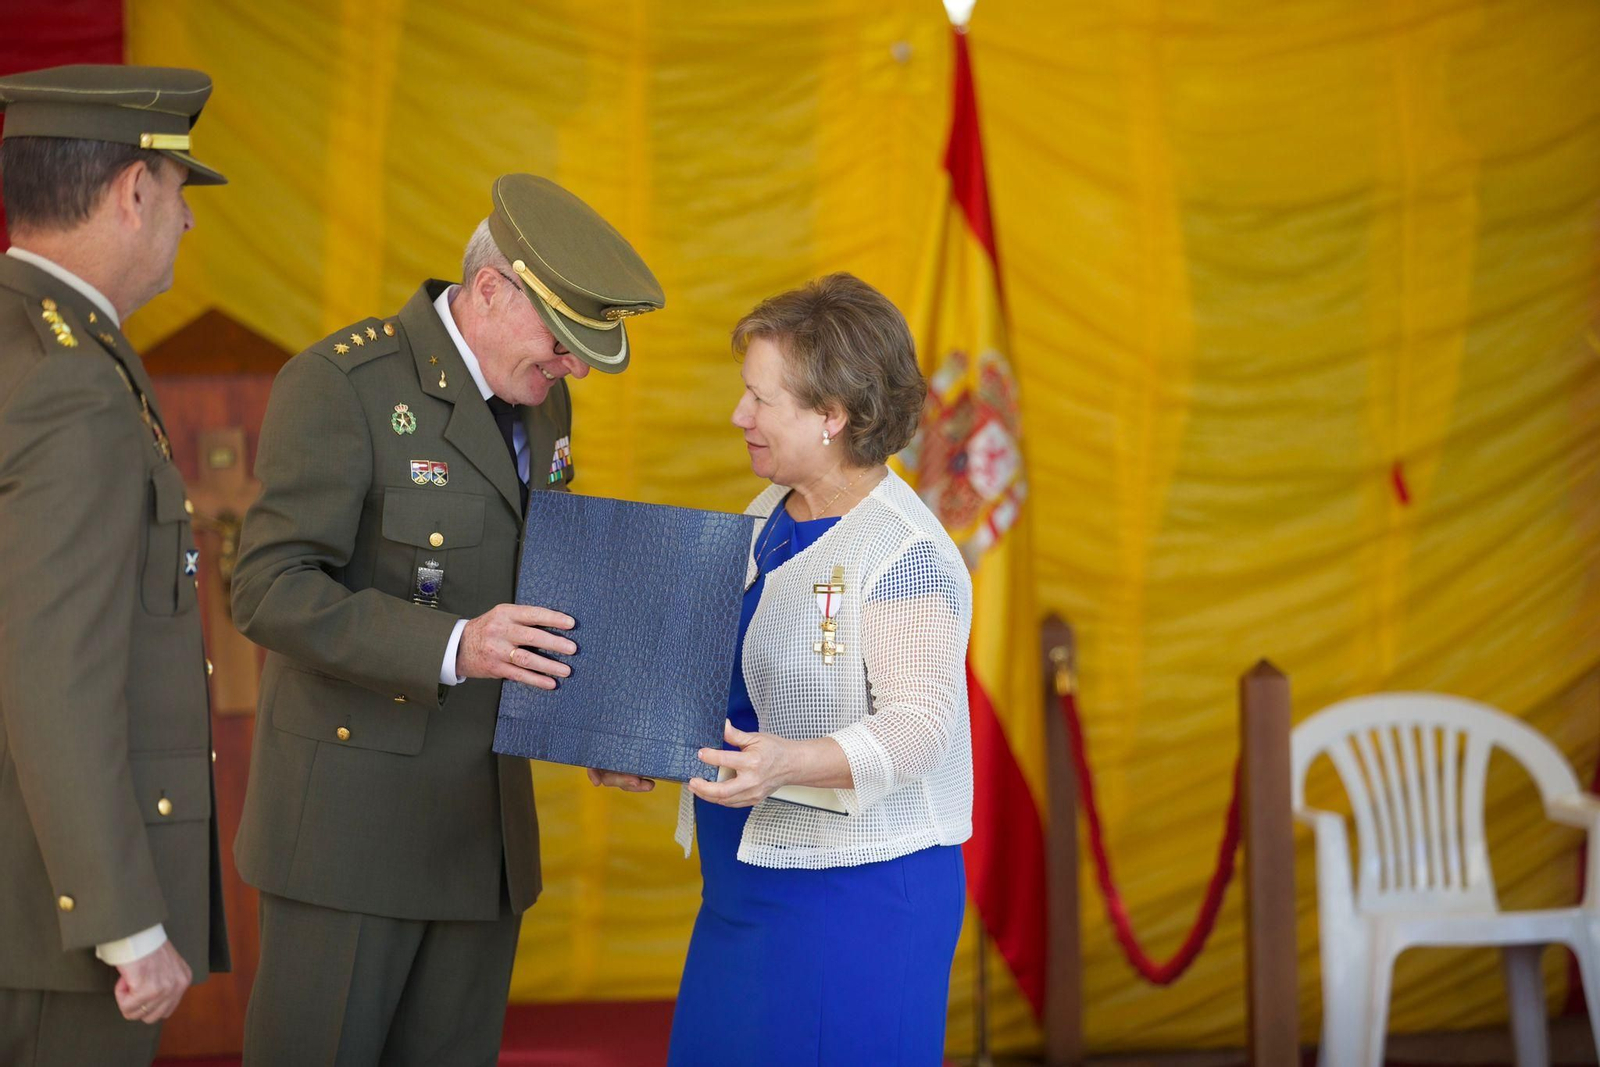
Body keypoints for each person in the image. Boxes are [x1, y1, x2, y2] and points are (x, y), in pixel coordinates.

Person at [230, 173, 664, 1064]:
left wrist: (603, 728)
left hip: (482, 841)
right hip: (351, 840)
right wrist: (454, 645)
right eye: (563, 341)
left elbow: (547, 582)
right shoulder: (341, 384)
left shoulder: (545, 401)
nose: (573, 367)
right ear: (492, 289)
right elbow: (268, 587)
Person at [594, 272, 973, 1065]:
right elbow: (735, 687)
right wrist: (645, 745)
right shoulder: (764, 516)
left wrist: (785, 764)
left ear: (833, 416)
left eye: (761, 399)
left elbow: (920, 727)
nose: (739, 415)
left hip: (860, 901)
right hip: (744, 889)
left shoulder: (904, 552)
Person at [0, 64, 232, 1066]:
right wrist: (127, 922)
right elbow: (58, 670)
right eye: (181, 196)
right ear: (134, 191)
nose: (185, 224)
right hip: (46, 927)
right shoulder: (74, 385)